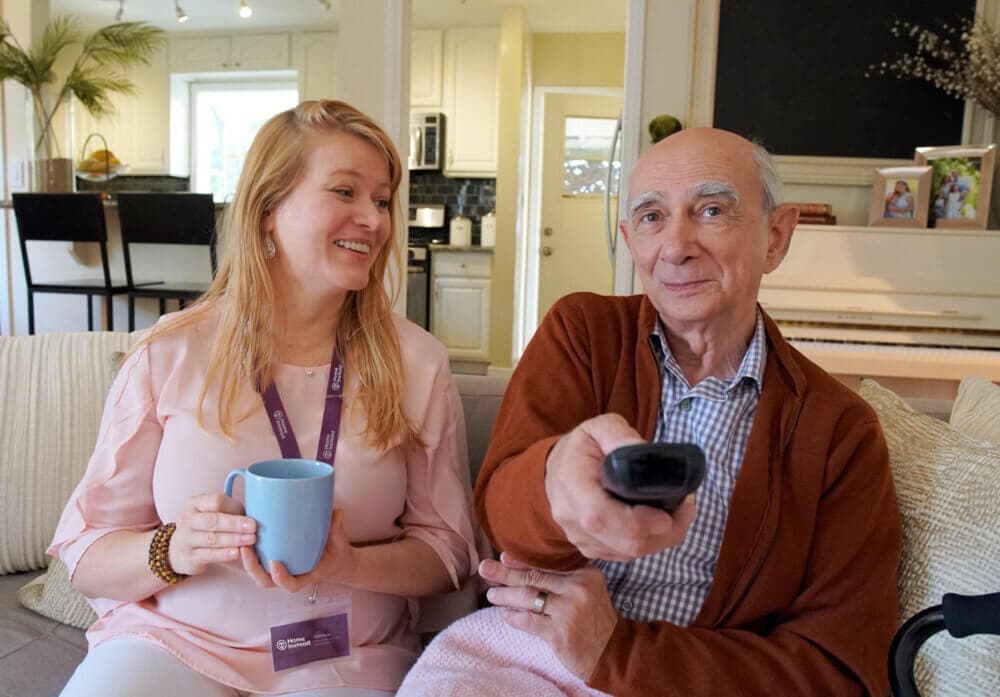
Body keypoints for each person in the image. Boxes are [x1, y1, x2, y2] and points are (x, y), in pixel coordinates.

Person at [398, 128, 901, 697]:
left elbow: (840, 673)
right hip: (524, 662)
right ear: (629, 241)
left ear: (776, 237)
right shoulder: (583, 335)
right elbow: (501, 515)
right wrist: (554, 481)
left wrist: (618, 652)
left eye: (711, 211)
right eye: (652, 218)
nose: (676, 246)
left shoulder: (840, 432)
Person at [49, 100, 482, 697]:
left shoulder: (418, 363)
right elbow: (87, 549)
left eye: (381, 201)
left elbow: (449, 552)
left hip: (345, 657)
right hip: (177, 642)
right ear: (268, 210)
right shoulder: (168, 352)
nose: (375, 221)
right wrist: (175, 546)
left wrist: (348, 564)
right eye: (345, 192)